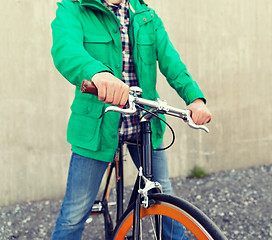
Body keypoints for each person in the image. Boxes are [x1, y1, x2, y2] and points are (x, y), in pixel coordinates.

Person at [50, 0, 211, 239]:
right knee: (74, 214)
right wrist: (99, 73)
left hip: (144, 124)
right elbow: (66, 49)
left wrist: (195, 98)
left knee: (164, 199)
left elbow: (171, 61)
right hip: (97, 127)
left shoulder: (145, 14)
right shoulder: (74, 8)